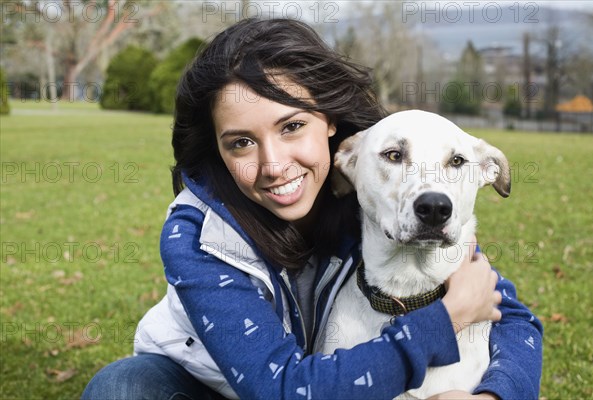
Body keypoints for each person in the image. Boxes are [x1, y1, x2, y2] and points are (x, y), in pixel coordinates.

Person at [82, 18, 543, 400]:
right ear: (218, 151)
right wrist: (448, 320)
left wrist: (492, 396)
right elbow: (279, 388)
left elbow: (511, 316)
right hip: (216, 385)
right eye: (242, 142)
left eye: (292, 126)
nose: (274, 165)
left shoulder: (372, 190)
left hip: (336, 375)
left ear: (330, 125)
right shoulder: (196, 235)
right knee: (122, 387)